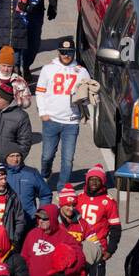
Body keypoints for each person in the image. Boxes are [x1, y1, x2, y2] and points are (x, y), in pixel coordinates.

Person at [35, 38, 89, 187]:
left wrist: (85, 100)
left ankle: (62, 188)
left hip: (71, 122)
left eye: (70, 53)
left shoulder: (82, 71)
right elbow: (40, 92)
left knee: (68, 159)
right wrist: (43, 113)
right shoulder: (48, 69)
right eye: (64, 52)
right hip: (51, 119)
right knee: (47, 156)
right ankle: (45, 174)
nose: (66, 56)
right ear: (58, 52)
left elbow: (87, 99)